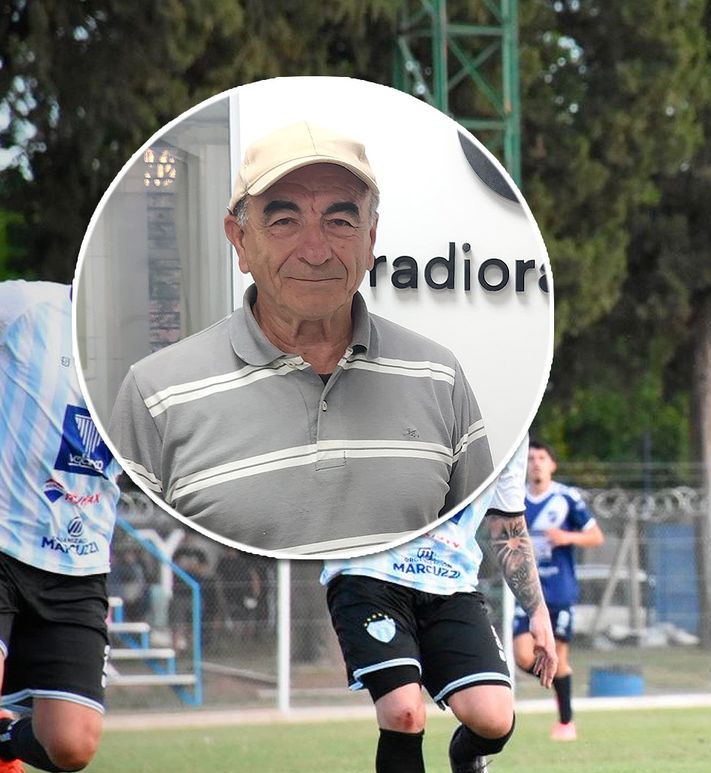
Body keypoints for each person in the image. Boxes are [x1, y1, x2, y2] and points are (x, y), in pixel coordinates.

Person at [109, 120, 492, 557]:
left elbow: (474, 546)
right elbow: (121, 557)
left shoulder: (438, 377)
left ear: (370, 239)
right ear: (240, 243)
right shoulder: (156, 394)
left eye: (341, 221)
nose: (315, 251)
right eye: (285, 221)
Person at [321, 440, 556, 773]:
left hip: (450, 583)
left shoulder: (511, 416)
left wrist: (538, 611)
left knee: (494, 718)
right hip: (368, 573)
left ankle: (467, 755)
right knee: (404, 712)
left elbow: (508, 525)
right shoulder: (396, 382)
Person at [0, 281, 123, 773]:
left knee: (71, 743)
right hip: (3, 543)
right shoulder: (26, 307)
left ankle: (6, 741)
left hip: (79, 568)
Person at [511, 441, 604, 741]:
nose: (535, 463)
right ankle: (561, 681)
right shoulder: (515, 499)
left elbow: (595, 536)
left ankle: (566, 723)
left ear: (552, 464)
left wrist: (566, 536)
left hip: (560, 590)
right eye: (530, 458)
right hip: (528, 592)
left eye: (541, 458)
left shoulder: (566, 498)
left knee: (559, 657)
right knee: (524, 656)